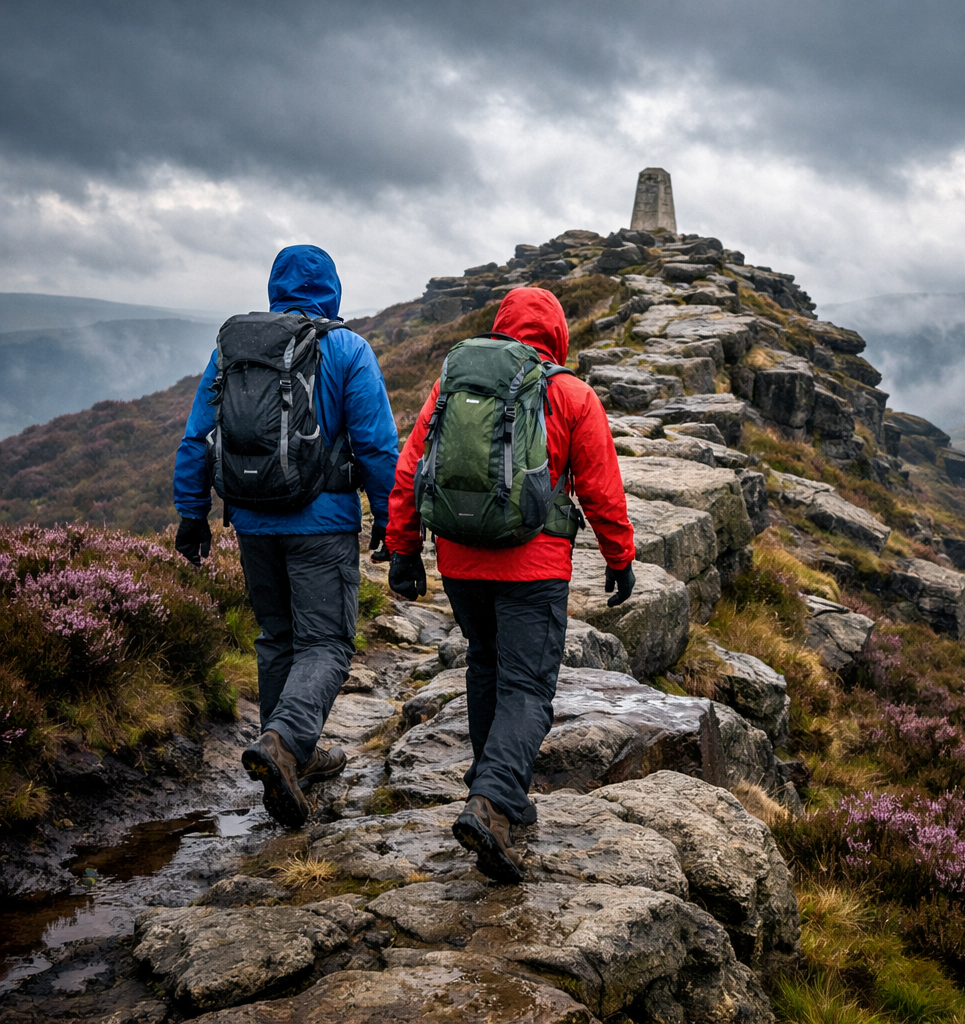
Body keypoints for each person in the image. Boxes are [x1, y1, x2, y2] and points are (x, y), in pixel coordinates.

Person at [386, 286, 635, 882]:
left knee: (485, 664)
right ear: (557, 335)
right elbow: (601, 488)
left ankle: (495, 790)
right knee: (526, 686)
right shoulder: (570, 393)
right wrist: (620, 558)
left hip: (460, 560)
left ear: (500, 327)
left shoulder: (454, 383)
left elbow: (411, 465)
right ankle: (493, 801)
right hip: (534, 564)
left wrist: (401, 548)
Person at [173, 244, 399, 829]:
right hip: (321, 524)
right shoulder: (346, 348)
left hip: (250, 520)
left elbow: (199, 436)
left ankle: (288, 755)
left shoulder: (234, 350)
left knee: (277, 636)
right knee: (325, 643)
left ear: (275, 287)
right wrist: (393, 524)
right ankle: (284, 744)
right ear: (333, 289)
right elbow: (376, 446)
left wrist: (192, 513)